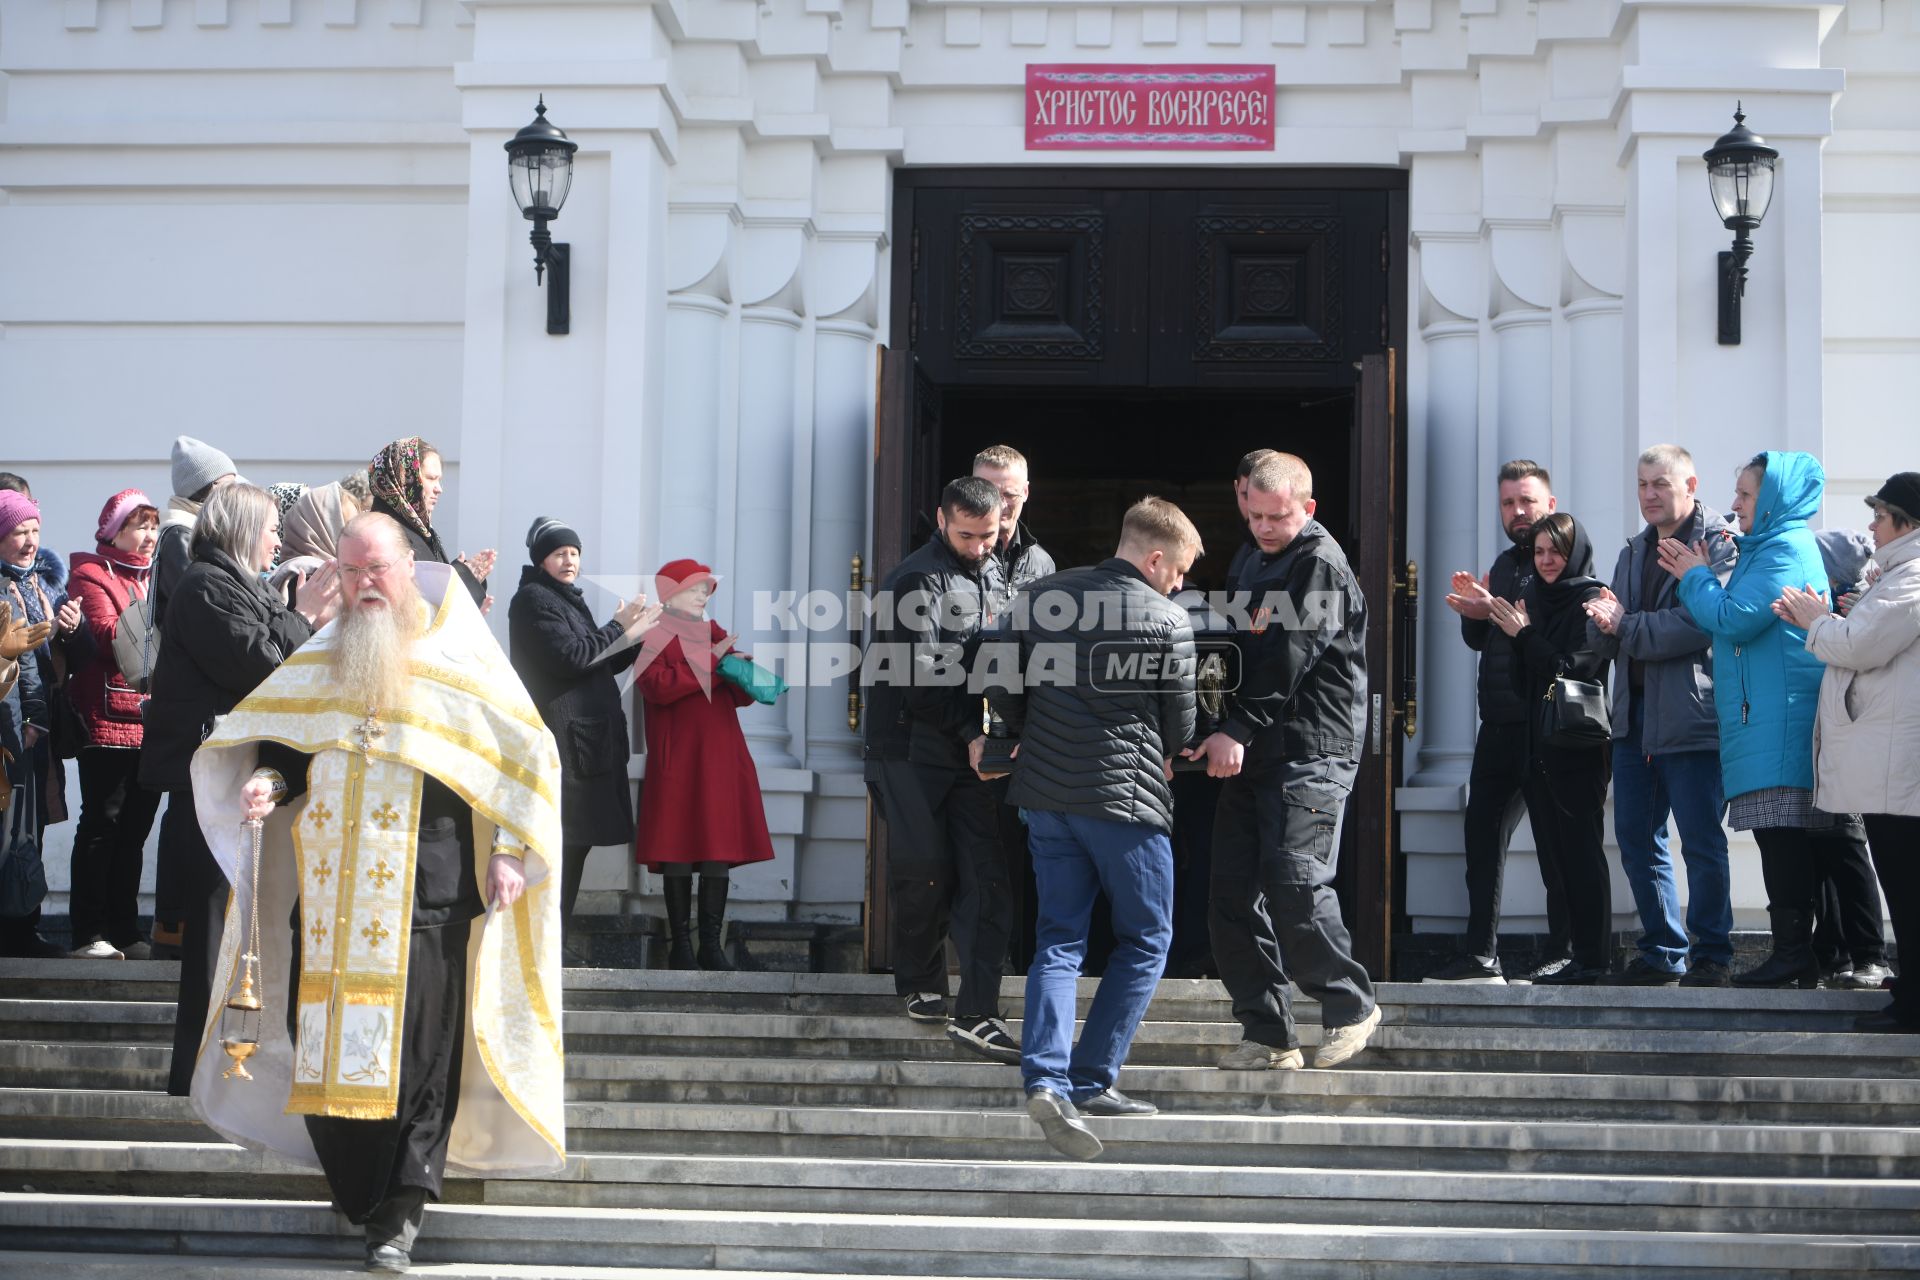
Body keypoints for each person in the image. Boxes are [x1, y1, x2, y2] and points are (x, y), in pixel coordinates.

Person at [189, 512, 566, 1274]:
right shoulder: (323, 658)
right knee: (324, 1052)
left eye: (377, 570)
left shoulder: (459, 657)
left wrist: (511, 849)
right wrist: (264, 781)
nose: (364, 584)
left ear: (407, 570)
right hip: (328, 906)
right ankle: (362, 1188)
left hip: (426, 895)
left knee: (423, 1060)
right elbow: (286, 746)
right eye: (351, 570)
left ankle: (403, 1206)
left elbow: (512, 760)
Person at [989, 497, 1200, 1160]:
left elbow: (997, 678)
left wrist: (1027, 733)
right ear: (1157, 557)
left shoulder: (1042, 596)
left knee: (1058, 940)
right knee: (1147, 937)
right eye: (1181, 570)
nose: (1182, 584)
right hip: (1125, 803)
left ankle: (1045, 1079)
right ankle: (1089, 1078)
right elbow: (1183, 728)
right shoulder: (1168, 618)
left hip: (1047, 797)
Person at [139, 483, 339, 1095]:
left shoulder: (238, 585)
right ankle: (192, 1079)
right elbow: (267, 668)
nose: (278, 539)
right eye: (270, 527)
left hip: (238, 779)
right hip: (211, 780)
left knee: (233, 928)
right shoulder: (205, 586)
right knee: (209, 933)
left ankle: (220, 1073)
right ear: (241, 529)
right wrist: (304, 615)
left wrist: (293, 612)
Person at [1187, 453, 1380, 1069]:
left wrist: (1234, 728)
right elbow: (1236, 651)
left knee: (1296, 880)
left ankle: (1349, 1004)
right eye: (1257, 515)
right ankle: (1269, 1034)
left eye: (1279, 517)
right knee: (1231, 896)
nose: (1265, 526)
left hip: (1311, 750)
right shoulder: (1252, 557)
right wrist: (1207, 727)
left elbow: (1289, 657)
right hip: (1254, 749)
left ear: (1309, 508)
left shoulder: (1319, 563)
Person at [1666, 451, 1831, 989]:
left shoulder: (1783, 547)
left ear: (1774, 498)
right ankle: (1801, 955)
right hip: (1764, 719)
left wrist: (1695, 576)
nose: (1733, 506)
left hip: (1778, 720)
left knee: (1782, 839)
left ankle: (1794, 955)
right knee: (1779, 838)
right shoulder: (1765, 548)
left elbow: (1730, 619)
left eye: (1744, 494)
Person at [868, 476, 1018, 1063]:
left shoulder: (996, 571)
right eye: (967, 535)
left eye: (989, 534)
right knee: (924, 871)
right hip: (909, 746)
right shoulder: (915, 579)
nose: (980, 546)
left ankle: (978, 1008)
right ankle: (921, 984)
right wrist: (972, 733)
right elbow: (918, 676)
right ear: (941, 519)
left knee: (986, 876)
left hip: (970, 749)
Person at [1581, 445, 1738, 986]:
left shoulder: (1718, 545)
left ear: (1690, 484)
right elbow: (1616, 626)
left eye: (1660, 485)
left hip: (1692, 719)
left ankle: (1713, 954)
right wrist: (1599, 620)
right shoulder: (1633, 551)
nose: (1648, 495)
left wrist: (1623, 625)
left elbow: (1698, 625)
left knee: (1700, 841)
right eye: (1642, 484)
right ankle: (1663, 951)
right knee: (1635, 836)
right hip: (1633, 720)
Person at [1777, 471, 1920, 1030]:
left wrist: (1820, 622)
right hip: (1890, 765)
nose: (1871, 525)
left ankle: (1912, 1006)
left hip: (1898, 770)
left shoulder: (1911, 579)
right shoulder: (1897, 574)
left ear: (1907, 523)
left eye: (1880, 516)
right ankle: (1908, 991)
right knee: (1903, 885)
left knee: (1907, 887)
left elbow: (1859, 645)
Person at [1429, 460, 1570, 984]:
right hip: (1499, 725)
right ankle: (1482, 956)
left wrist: (1505, 616)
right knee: (1482, 835)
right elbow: (1486, 642)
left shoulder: (1565, 560)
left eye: (1527, 501)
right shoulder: (1506, 563)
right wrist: (1475, 616)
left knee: (1557, 844)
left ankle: (1565, 951)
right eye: (1508, 502)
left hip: (1546, 724)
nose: (1517, 511)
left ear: (1549, 505)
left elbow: (1555, 640)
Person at [508, 516, 660, 956]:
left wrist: (631, 637)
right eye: (559, 553)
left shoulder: (565, 600)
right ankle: (543, 948)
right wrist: (618, 629)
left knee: (573, 847)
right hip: (565, 749)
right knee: (561, 848)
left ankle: (552, 944)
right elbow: (573, 656)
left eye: (574, 552)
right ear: (541, 559)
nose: (569, 560)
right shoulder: (534, 600)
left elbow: (599, 659)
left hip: (585, 747)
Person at [1484, 514, 1614, 984]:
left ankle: (1594, 958)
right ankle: (1572, 955)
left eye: (1555, 551)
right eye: (1539, 552)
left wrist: (1525, 635)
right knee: (1554, 859)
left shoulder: (1592, 600)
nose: (1546, 561)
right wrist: (1520, 634)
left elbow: (1572, 667)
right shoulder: (1534, 599)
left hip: (1578, 747)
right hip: (1537, 745)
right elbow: (1526, 674)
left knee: (1581, 852)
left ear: (1574, 551)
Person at [632, 558, 775, 970]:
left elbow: (741, 697)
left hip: (721, 753)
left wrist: (738, 668)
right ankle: (680, 946)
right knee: (677, 845)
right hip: (677, 754)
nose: (702, 596)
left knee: (718, 845)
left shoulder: (713, 632)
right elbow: (656, 687)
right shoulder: (653, 632)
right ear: (670, 593)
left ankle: (710, 946)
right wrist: (712, 662)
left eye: (705, 590)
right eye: (695, 588)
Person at [148, 436, 242, 960]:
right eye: (228, 486)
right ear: (208, 489)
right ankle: (173, 925)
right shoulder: (182, 538)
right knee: (186, 813)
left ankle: (177, 921)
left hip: (192, 705)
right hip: (190, 708)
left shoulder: (190, 536)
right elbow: (202, 616)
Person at [64, 490, 167, 959]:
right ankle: (89, 932)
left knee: (135, 830)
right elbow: (110, 637)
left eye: (153, 526)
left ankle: (126, 929)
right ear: (114, 531)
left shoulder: (158, 576)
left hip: (150, 722)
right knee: (102, 825)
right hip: (106, 720)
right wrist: (166, 616)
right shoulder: (90, 574)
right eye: (139, 526)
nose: (149, 537)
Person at [1801, 530, 1893, 990]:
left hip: (1851, 742)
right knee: (1824, 847)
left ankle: (1870, 955)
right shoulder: (1836, 606)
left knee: (1847, 844)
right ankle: (1832, 949)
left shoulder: (1856, 607)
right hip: (1823, 739)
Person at [0, 487, 86, 958]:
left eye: (34, 531)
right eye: (18, 532)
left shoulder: (42, 583)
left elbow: (68, 658)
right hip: (12, 727)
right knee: (10, 829)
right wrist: (27, 720)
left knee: (28, 830)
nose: (29, 542)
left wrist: (71, 628)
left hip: (34, 728)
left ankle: (23, 926)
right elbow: (19, 663)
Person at [368, 438, 495, 610]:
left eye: (439, 479)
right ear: (405, 480)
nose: (439, 488)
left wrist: (463, 577)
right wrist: (462, 578)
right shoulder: (382, 533)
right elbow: (411, 603)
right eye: (430, 478)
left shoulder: (420, 531)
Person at [973, 445, 1056, 594]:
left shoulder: (1042, 564)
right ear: (972, 489)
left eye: (1009, 495)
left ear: (1025, 492)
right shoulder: (951, 556)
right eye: (990, 494)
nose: (1000, 504)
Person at [1225, 449, 1278, 589]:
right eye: (1246, 495)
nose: (1254, 507)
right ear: (1236, 489)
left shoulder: (1312, 557)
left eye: (1264, 496)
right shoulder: (1244, 552)